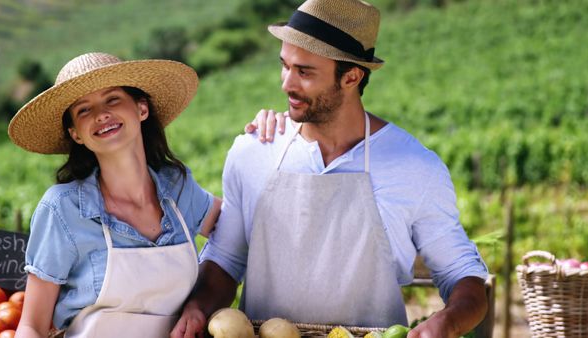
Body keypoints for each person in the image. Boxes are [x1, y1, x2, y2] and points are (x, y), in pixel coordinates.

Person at [173, 0, 489, 337]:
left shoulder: (415, 167)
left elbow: (462, 274)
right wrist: (198, 308)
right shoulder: (253, 153)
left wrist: (448, 321)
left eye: (304, 71)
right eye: (285, 66)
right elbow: (225, 258)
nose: (286, 84)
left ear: (351, 76)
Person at [8, 52, 223, 338]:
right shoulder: (62, 209)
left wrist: (200, 303)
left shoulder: (178, 188)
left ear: (141, 109)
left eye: (112, 99)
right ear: (76, 134)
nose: (100, 114)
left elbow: (235, 232)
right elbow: (32, 326)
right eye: (84, 110)